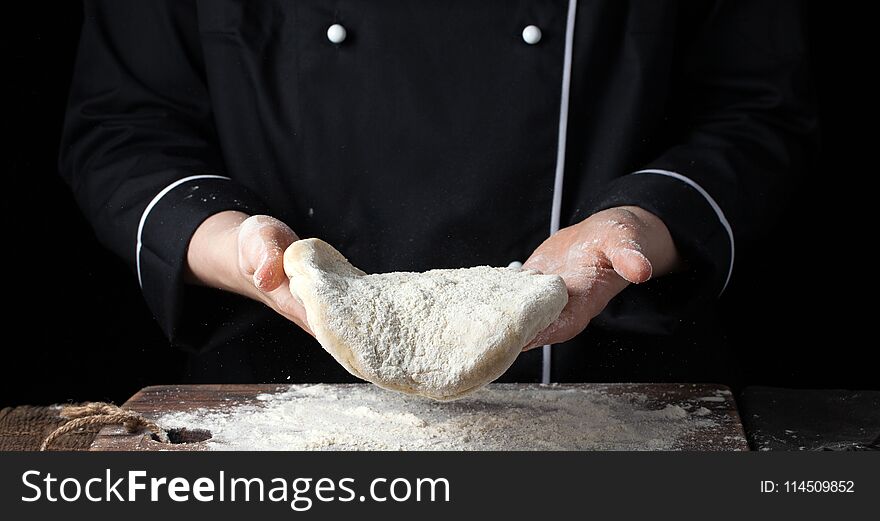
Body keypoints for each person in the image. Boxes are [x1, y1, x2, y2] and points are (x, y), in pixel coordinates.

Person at [59, 1, 815, 384]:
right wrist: (235, 243)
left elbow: (757, 107)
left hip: (596, 392)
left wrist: (643, 221)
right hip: (275, 402)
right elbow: (126, 122)